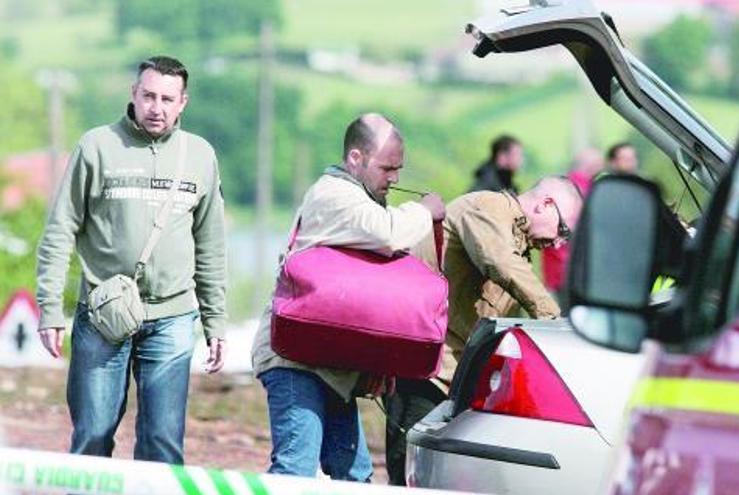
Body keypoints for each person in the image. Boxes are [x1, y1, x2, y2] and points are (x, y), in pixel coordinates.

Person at [35, 55, 227, 464]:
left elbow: (211, 246)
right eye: (149, 96)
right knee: (92, 439)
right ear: (133, 95)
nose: (157, 107)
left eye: (167, 99)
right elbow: (59, 230)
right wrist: (50, 309)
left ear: (183, 103)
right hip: (103, 315)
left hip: (173, 319)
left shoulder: (201, 156)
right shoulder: (97, 146)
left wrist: (216, 322)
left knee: (163, 444)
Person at [250, 113, 445, 481]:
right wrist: (425, 211)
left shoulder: (358, 197)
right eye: (387, 168)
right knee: (294, 469)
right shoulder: (333, 195)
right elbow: (388, 233)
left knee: (354, 477)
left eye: (398, 169)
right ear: (356, 158)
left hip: (330, 363)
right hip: (295, 361)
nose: (395, 178)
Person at [384, 176, 583, 485]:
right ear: (545, 204)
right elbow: (501, 263)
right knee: (409, 480)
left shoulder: (518, 244)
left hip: (454, 381)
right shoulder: (487, 209)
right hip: (425, 373)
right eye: (563, 231)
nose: (558, 243)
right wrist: (557, 321)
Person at [541, 148, 603, 294]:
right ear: (592, 165)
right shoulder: (584, 192)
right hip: (570, 272)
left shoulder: (562, 186)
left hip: (556, 271)